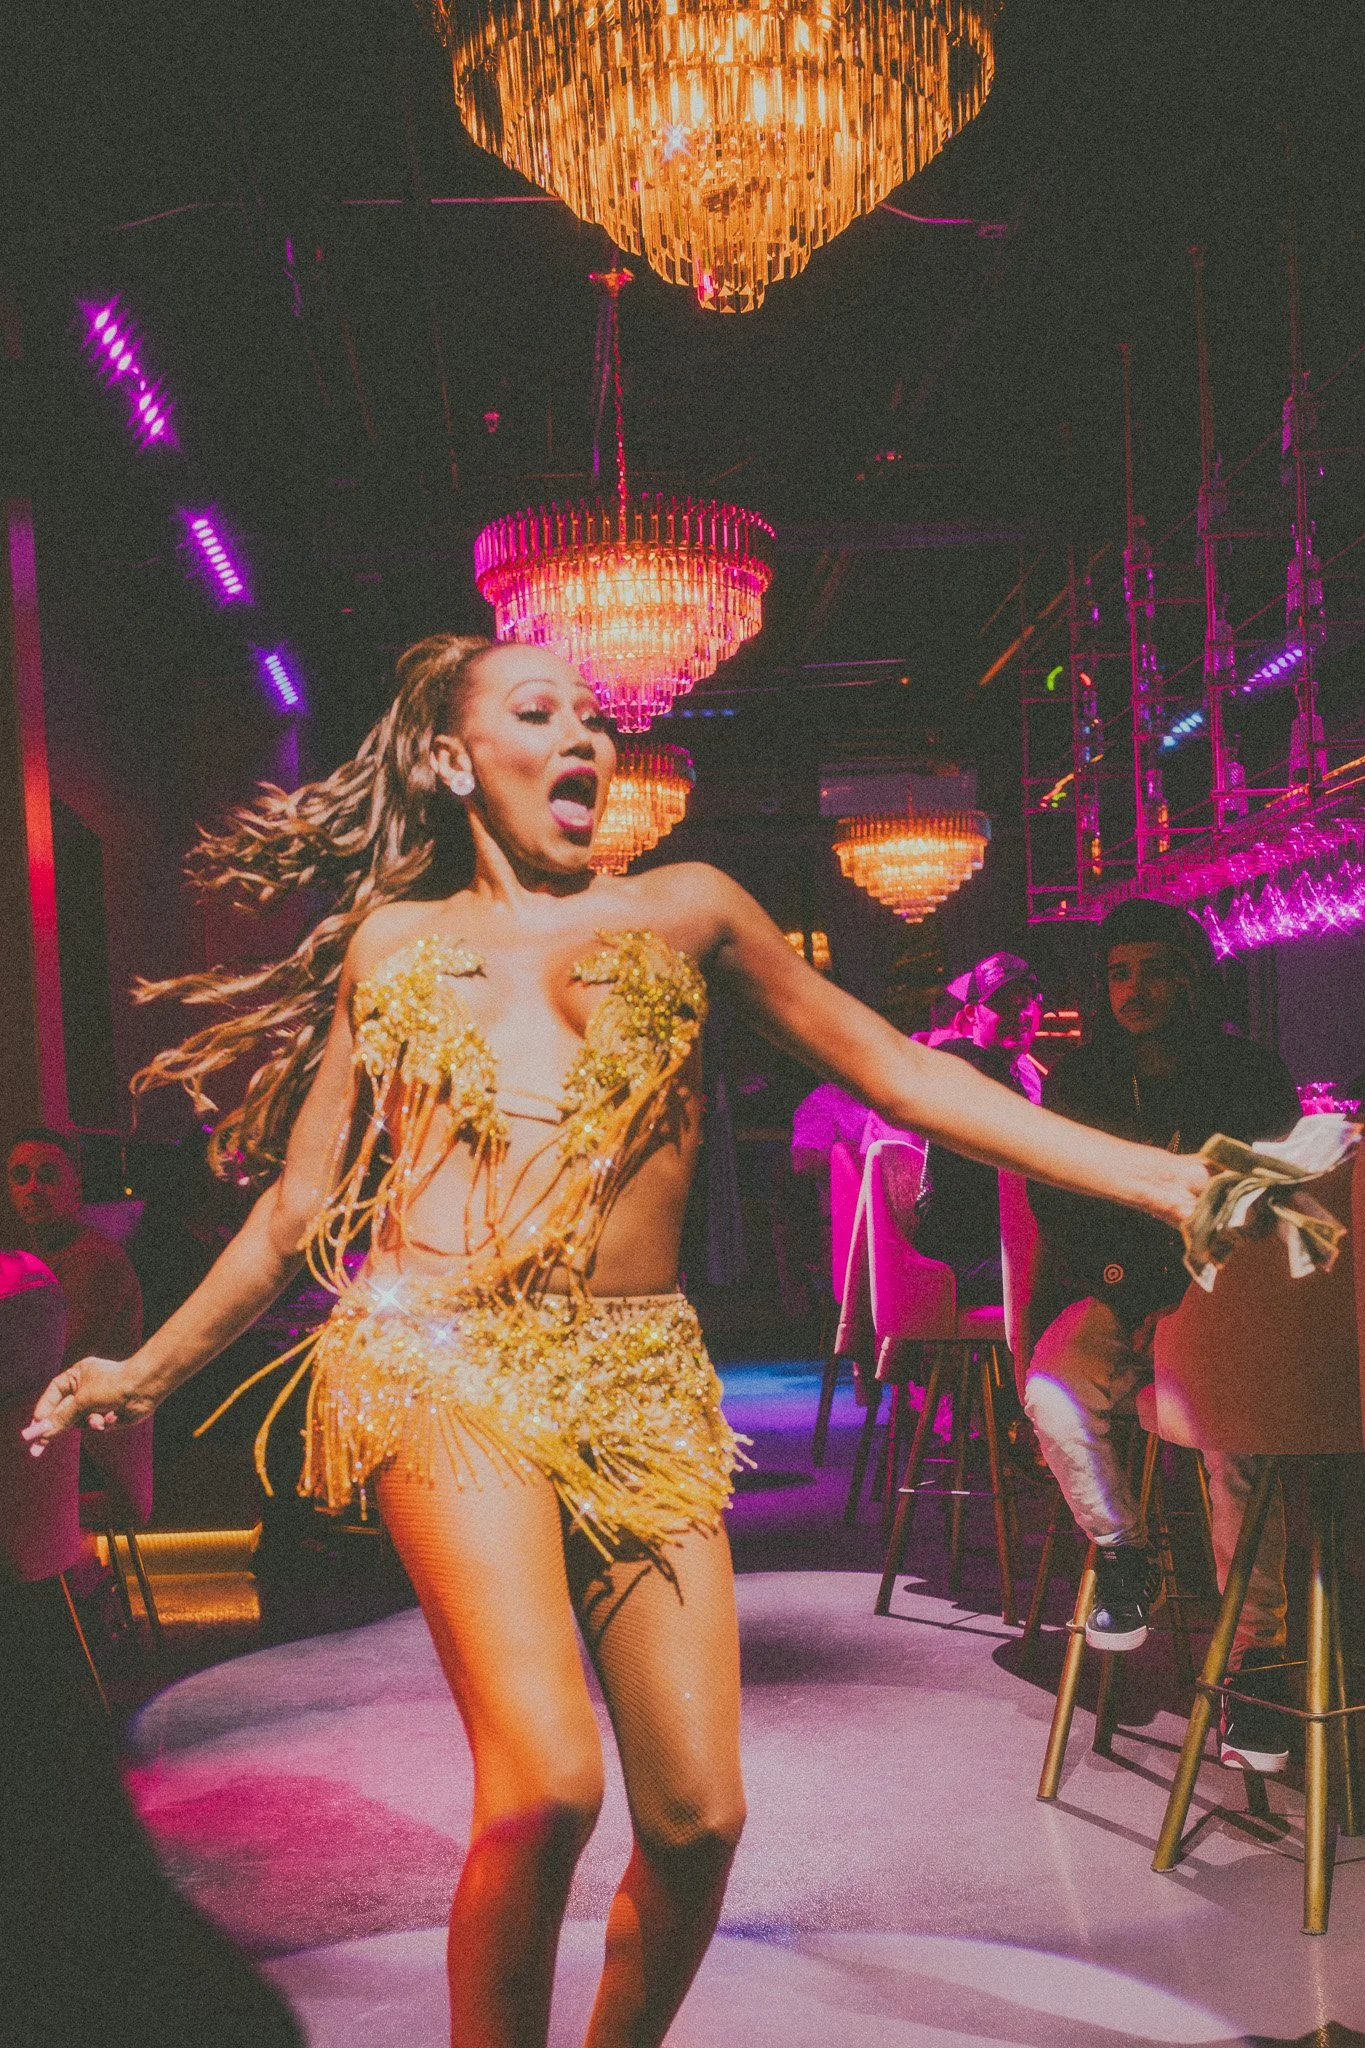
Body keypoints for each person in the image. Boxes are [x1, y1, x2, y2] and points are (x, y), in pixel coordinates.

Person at [25, 636, 1210, 2048]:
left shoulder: (688, 907)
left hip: (642, 1373)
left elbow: (902, 1072)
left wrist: (1163, 1177)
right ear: (453, 759)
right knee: (543, 1787)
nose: (583, 737)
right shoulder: (391, 942)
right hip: (443, 1362)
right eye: (539, 713)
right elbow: (297, 1206)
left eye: (593, 717)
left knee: (699, 1819)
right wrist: (146, 1368)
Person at [1024, 898, 1301, 1773]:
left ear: (1191, 977)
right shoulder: (1078, 1081)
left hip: (1222, 1296)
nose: (1133, 989)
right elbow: (1060, 1203)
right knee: (1051, 1391)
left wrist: (1187, 1294)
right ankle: (1122, 1552)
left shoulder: (1249, 1072)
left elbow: (1270, 1198)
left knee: (1236, 1447)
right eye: (1118, 973)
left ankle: (1257, 1662)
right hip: (1116, 1293)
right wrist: (1125, 1288)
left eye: (1152, 969)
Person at [912, 952, 1044, 1306]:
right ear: (972, 1014)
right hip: (961, 1259)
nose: (1018, 1014)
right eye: (1002, 1005)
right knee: (1067, 1275)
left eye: (1025, 1002)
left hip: (993, 1246)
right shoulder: (961, 1065)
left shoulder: (1012, 1071)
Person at [7, 1127, 143, 1369]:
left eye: (48, 1176)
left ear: (76, 1186)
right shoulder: (28, 1254)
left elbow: (50, 1362)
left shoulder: (97, 1259)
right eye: (21, 1177)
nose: (32, 1188)